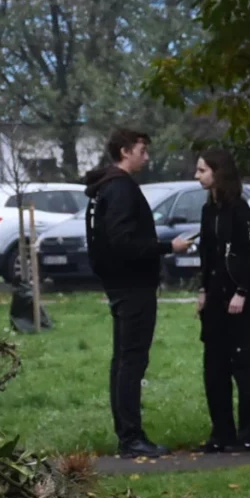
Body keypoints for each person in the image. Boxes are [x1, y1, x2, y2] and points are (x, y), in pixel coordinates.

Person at [172, 148, 250, 452]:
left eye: (202, 170)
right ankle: (221, 432)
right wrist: (203, 290)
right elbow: (208, 255)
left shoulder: (239, 210)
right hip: (214, 298)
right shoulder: (207, 211)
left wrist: (242, 290)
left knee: (244, 365)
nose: (197, 176)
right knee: (214, 368)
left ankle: (249, 434)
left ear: (217, 173)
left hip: (238, 298)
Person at [85, 127, 164, 457]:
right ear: (124, 152)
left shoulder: (103, 188)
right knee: (131, 361)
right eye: (141, 150)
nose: (146, 156)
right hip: (133, 285)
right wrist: (164, 248)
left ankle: (128, 433)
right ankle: (131, 437)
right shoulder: (120, 189)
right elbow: (123, 241)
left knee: (124, 360)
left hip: (119, 284)